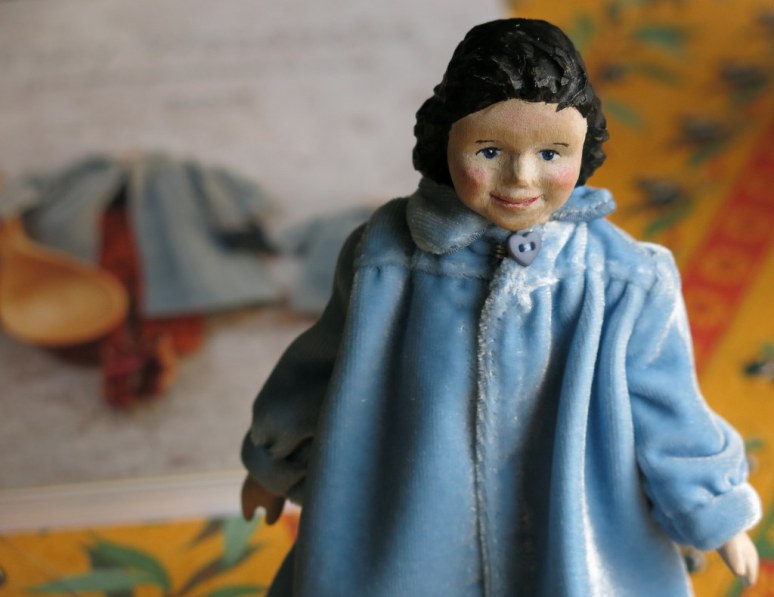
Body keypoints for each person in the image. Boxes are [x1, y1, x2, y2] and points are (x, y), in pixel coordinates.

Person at [241, 18, 761, 596]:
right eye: (489, 151)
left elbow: (667, 403)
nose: (521, 178)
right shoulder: (384, 260)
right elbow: (319, 366)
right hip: (408, 514)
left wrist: (713, 507)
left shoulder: (623, 278)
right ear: (446, 141)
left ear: (584, 148)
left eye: (551, 152)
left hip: (574, 516)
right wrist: (274, 462)